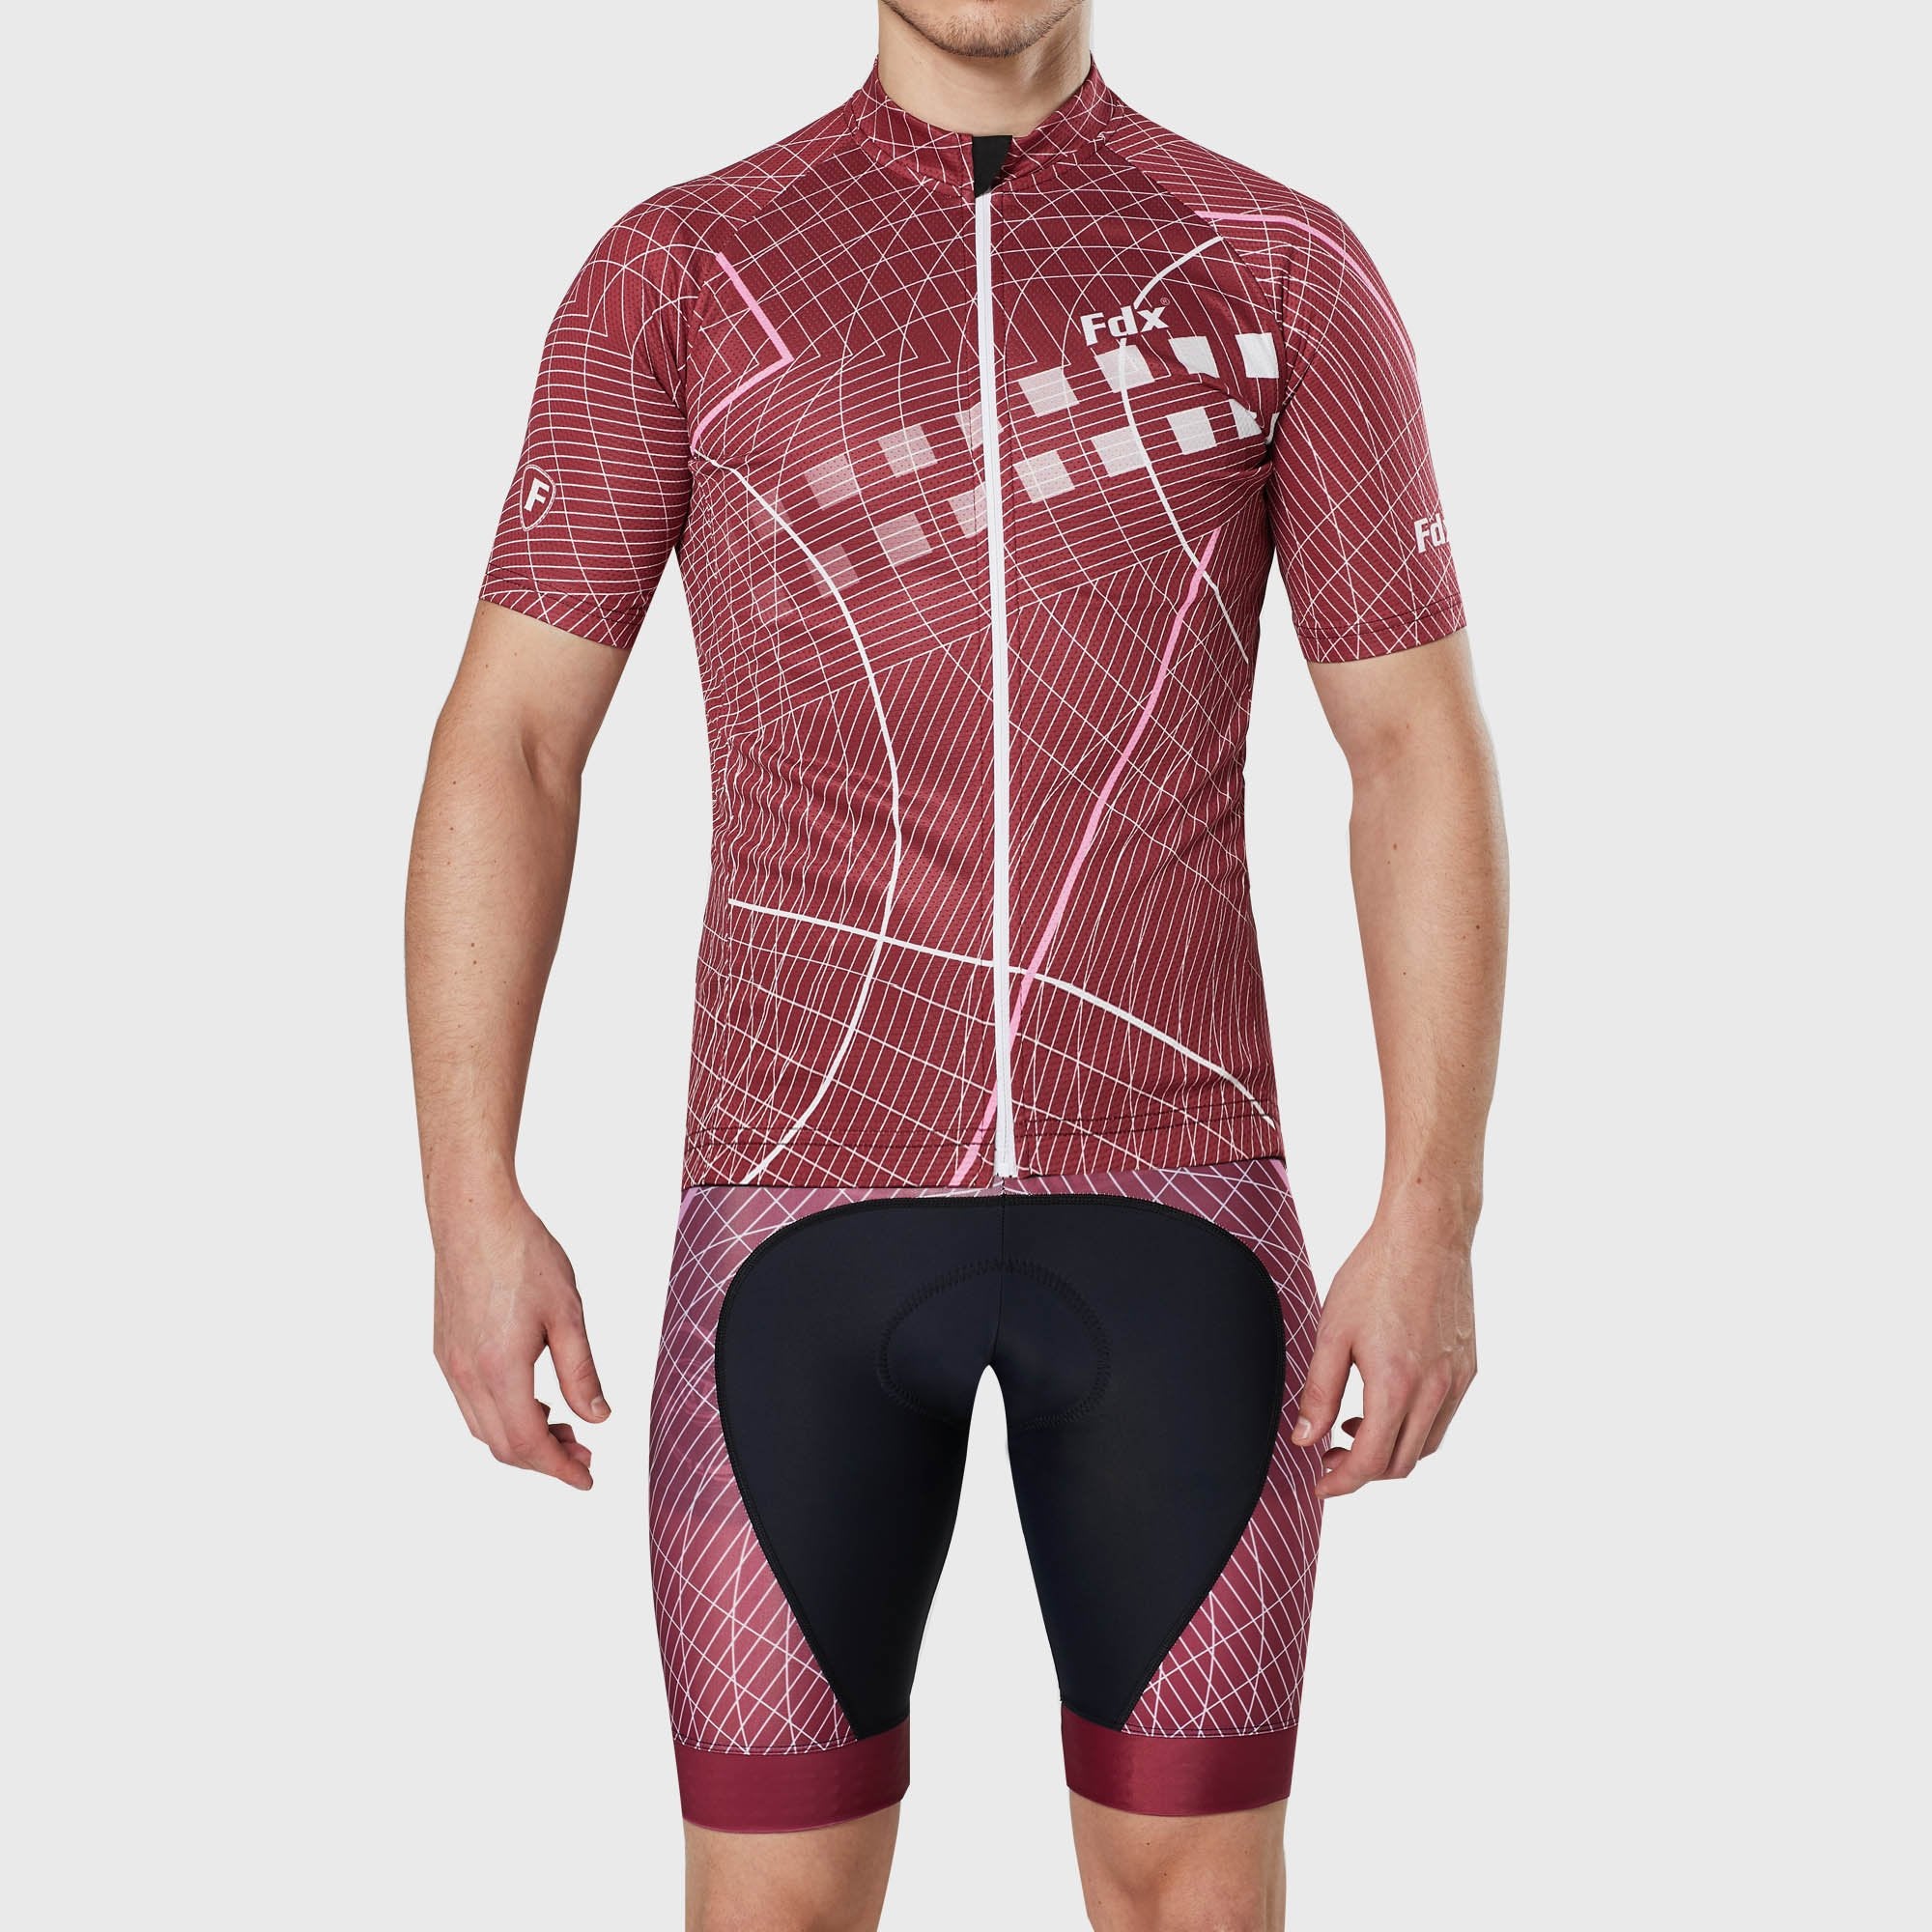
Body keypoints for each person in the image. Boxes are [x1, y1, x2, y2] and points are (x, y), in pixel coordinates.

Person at [405, 2, 1507, 1924]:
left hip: (1175, 1203)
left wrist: (1433, 1213)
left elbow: (1413, 747)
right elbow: (514, 738)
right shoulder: (685, 270)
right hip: (791, 1216)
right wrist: (468, 1199)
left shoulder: (1275, 268)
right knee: (772, 1904)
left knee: (1194, 1897)